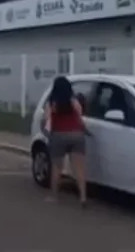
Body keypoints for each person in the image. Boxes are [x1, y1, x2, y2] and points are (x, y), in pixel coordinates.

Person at [43, 75, 88, 206]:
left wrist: (47, 133)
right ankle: (83, 197)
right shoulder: (73, 101)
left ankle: (54, 196)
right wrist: (83, 129)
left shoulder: (52, 103)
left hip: (59, 135)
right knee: (79, 168)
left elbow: (47, 120)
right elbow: (79, 114)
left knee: (57, 168)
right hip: (77, 135)